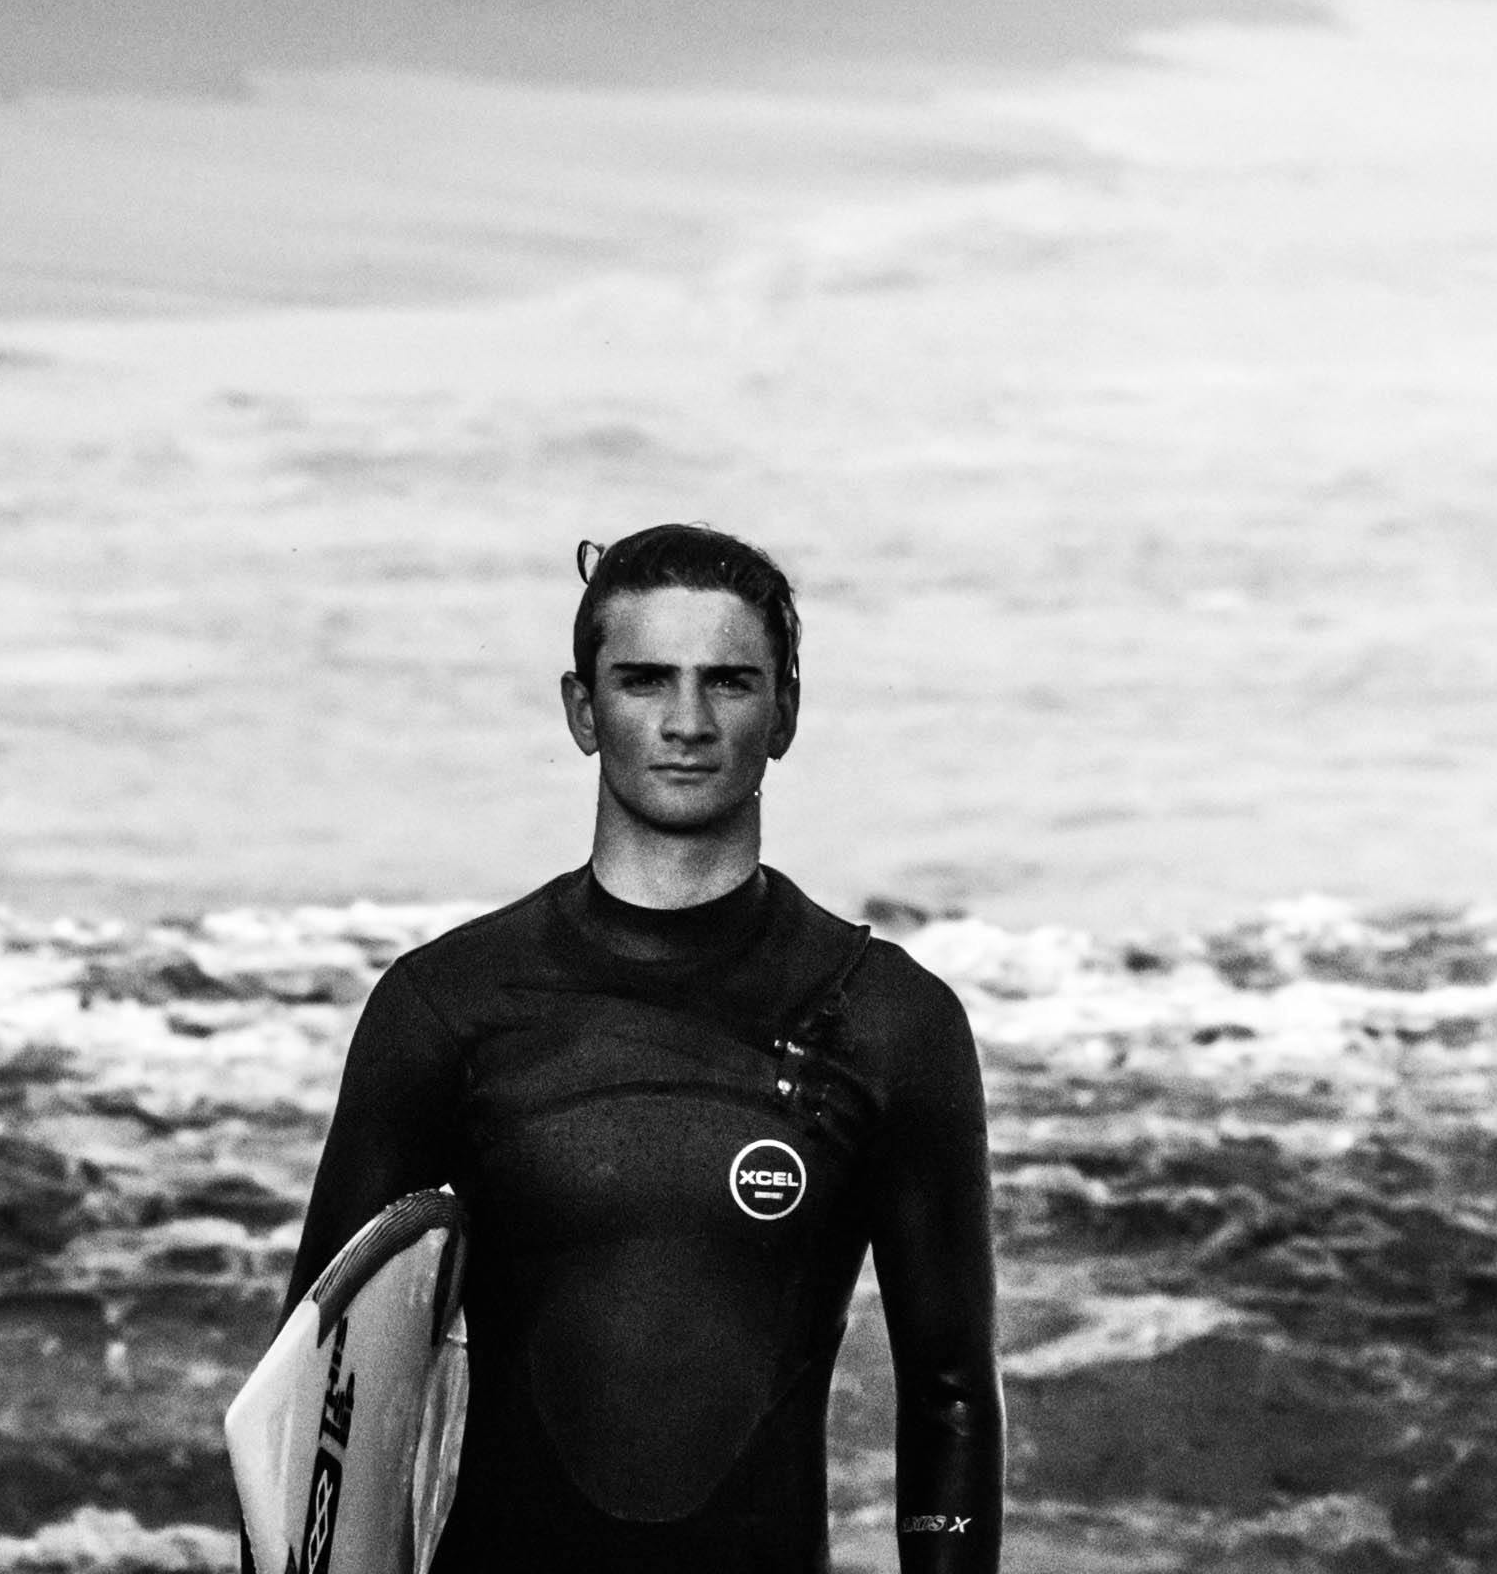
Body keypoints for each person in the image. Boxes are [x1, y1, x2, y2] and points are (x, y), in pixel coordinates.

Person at [281, 523, 1001, 1571]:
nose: (685, 721)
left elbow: (948, 1394)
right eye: (643, 679)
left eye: (729, 682)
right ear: (582, 709)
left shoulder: (890, 1020)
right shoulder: (447, 1006)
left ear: (784, 711)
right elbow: (315, 1394)